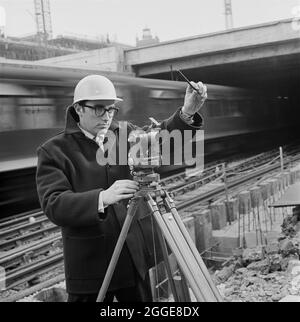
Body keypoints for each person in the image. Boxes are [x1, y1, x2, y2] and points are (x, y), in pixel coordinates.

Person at [36, 74, 207, 302]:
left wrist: (186, 112)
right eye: (99, 109)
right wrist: (103, 197)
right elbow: (54, 204)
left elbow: (162, 139)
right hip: (90, 266)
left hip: (133, 259)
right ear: (78, 108)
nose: (107, 116)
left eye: (111, 109)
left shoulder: (125, 134)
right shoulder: (54, 151)